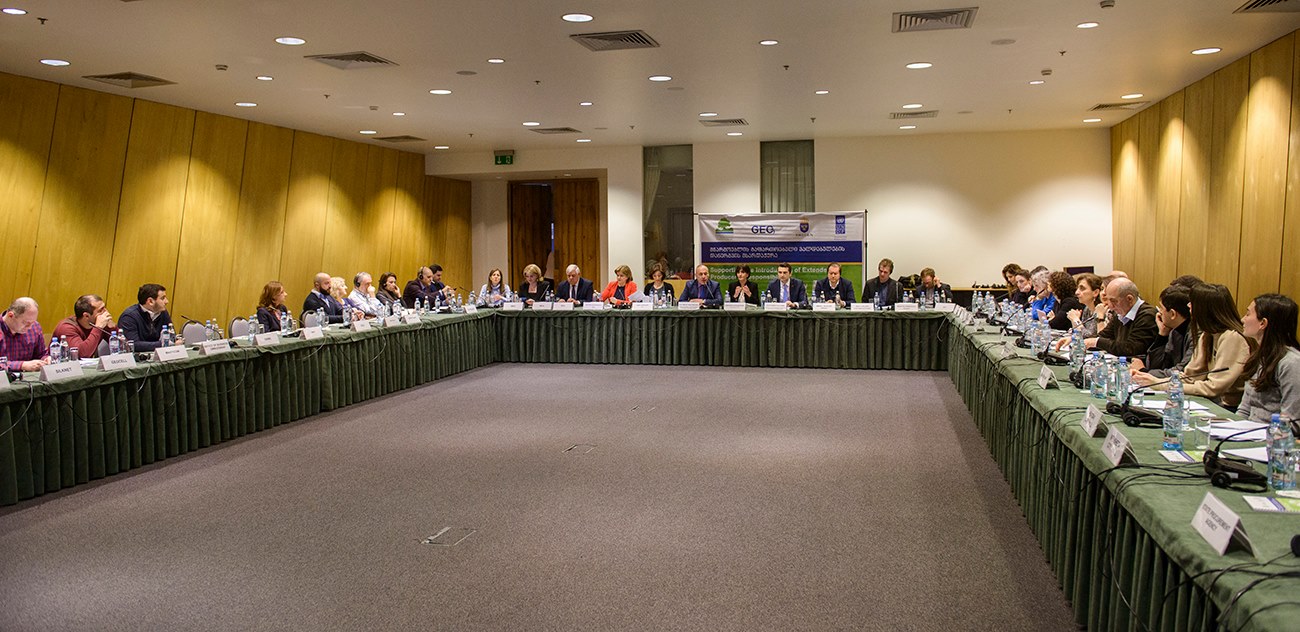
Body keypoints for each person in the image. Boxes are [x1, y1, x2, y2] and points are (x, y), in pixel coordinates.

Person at [1136, 284, 1252, 408]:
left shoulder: (1232, 338)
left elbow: (1213, 388)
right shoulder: (1207, 335)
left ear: (1205, 308)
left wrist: (1160, 385)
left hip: (1228, 407)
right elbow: (1190, 377)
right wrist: (1153, 381)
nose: (1188, 306)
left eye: (1192, 303)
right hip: (1213, 402)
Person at [1237, 293, 1300, 423]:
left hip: (1273, 434)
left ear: (1263, 323)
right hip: (1248, 430)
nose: (1243, 319)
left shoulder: (1291, 363)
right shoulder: (1258, 357)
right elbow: (1244, 410)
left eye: (1248, 314)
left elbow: (1292, 421)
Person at [1128, 286, 1192, 379]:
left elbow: (1183, 371)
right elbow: (1158, 366)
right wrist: (1162, 335)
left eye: (1161, 308)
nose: (1159, 312)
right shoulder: (1173, 330)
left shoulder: (1195, 335)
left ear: (1173, 314)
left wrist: (1143, 372)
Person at [1085, 278, 1157, 359]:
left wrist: (1096, 342)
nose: (1110, 306)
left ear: (1129, 299)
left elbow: (1130, 348)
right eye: (1108, 300)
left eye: (1113, 301)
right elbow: (1104, 336)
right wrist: (1084, 342)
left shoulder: (1147, 315)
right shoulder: (1120, 313)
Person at [53, 294, 117, 358]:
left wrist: (112, 328)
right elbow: (82, 354)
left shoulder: (101, 323)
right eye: (101, 310)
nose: (106, 313)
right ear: (86, 316)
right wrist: (98, 328)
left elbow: (120, 347)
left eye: (104, 308)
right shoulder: (66, 327)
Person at [119, 283, 176, 352]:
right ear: (150, 301)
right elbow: (133, 345)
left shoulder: (162, 312)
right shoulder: (129, 317)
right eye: (162, 298)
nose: (167, 301)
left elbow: (171, 336)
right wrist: (163, 344)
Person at [1, 297, 50, 372]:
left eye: (33, 322)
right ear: (11, 315)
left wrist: (46, 359)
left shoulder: (35, 327)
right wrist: (22, 365)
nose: (30, 327)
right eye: (26, 323)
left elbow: (41, 354)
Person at [1066, 273, 1107, 338]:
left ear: (1095, 292)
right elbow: (1080, 335)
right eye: (1077, 288)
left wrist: (1076, 320)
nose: (1076, 292)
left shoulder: (1102, 310)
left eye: (1082, 289)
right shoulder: (1087, 309)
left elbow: (1091, 337)